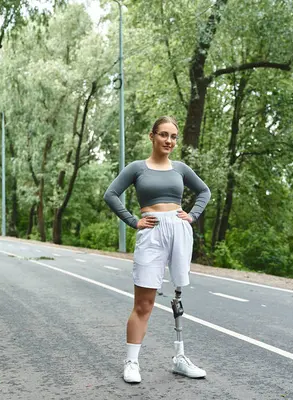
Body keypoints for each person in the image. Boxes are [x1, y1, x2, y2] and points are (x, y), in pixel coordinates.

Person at [103, 116, 211, 383]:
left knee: (177, 294)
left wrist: (193, 215)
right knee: (144, 303)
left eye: (173, 137)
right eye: (164, 135)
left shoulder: (181, 169)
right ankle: (131, 362)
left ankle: (179, 359)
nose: (169, 141)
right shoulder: (137, 168)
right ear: (152, 136)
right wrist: (133, 221)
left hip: (178, 228)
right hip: (151, 231)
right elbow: (111, 194)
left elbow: (204, 192)